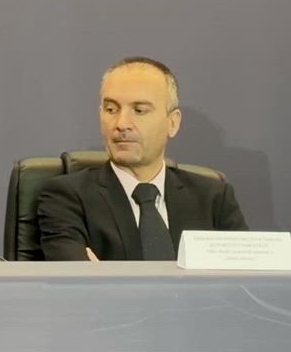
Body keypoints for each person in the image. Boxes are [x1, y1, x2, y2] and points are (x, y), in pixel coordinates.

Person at [37, 57, 247, 261]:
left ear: (172, 123)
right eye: (111, 110)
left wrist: (104, 273)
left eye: (139, 111)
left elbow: (244, 278)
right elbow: (80, 281)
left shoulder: (213, 198)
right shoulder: (67, 198)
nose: (121, 124)